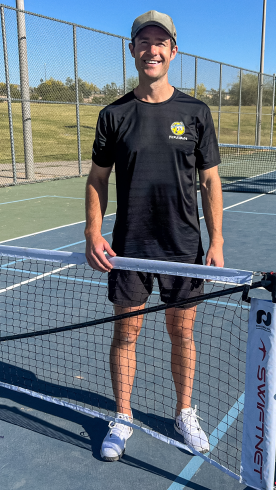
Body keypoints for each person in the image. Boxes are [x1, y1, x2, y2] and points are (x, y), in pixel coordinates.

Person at [84, 10, 224, 462]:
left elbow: (210, 181)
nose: (152, 49)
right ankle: (122, 416)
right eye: (144, 41)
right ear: (132, 49)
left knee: (182, 334)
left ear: (173, 51)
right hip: (129, 247)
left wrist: (217, 241)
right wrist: (92, 228)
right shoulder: (114, 115)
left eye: (160, 42)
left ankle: (185, 412)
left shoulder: (196, 112)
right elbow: (97, 179)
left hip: (184, 248)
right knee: (126, 334)